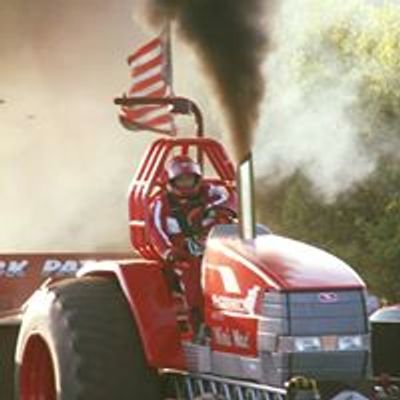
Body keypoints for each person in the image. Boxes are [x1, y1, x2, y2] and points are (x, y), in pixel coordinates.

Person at [149, 155, 235, 334]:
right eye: (181, 179)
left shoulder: (214, 192)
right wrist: (168, 251)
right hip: (183, 251)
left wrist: (209, 211)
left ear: (198, 179)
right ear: (171, 181)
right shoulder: (160, 203)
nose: (186, 183)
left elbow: (231, 201)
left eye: (189, 179)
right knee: (193, 275)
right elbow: (155, 230)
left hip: (217, 242)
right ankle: (200, 325)